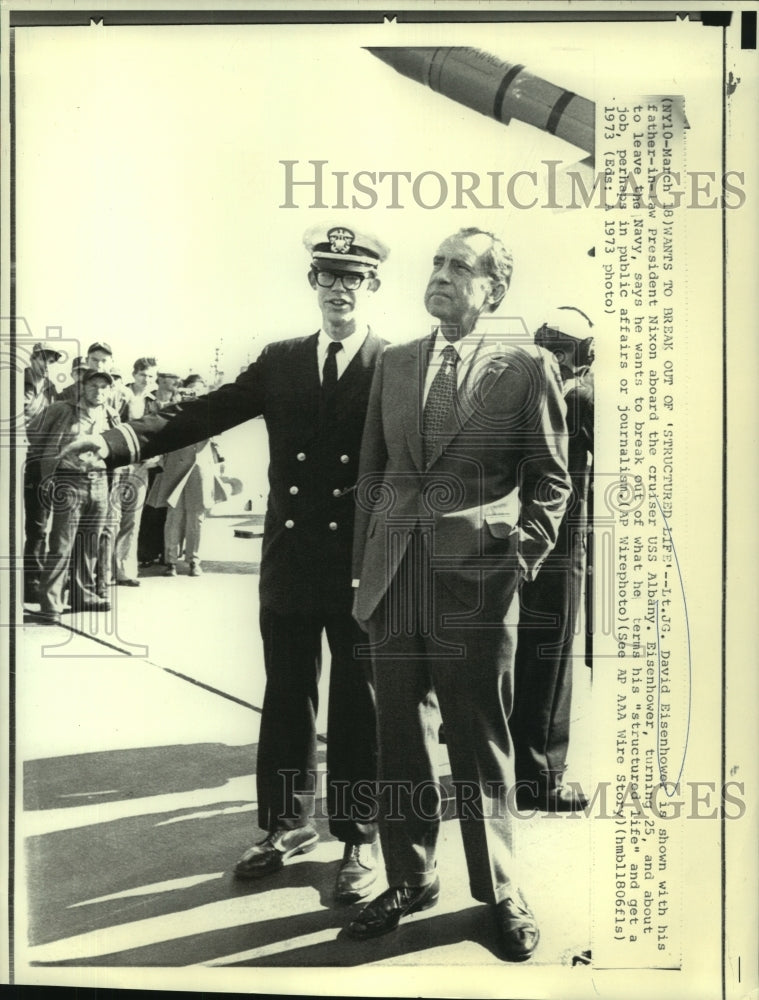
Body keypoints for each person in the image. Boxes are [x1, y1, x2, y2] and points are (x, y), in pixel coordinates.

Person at [60, 222, 389, 905]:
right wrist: (119, 441)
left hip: (363, 564)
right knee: (287, 696)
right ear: (312, 283)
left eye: (352, 277)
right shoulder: (281, 359)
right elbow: (205, 412)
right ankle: (283, 826)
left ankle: (358, 836)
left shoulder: (395, 363)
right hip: (293, 561)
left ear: (372, 285)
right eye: (327, 276)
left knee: (358, 703)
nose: (339, 290)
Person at [348, 227, 571, 960]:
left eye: (459, 267)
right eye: (436, 263)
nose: (441, 275)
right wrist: (364, 571)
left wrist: (521, 555)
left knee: (478, 740)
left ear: (493, 289)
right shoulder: (397, 362)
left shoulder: (527, 365)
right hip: (394, 576)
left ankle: (499, 889)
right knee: (399, 737)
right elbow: (375, 475)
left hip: (477, 580)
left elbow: (551, 478)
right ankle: (409, 878)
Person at [510, 307, 595, 812]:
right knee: (551, 653)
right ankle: (540, 778)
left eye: (558, 350)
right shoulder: (583, 397)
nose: (554, 360)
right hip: (558, 542)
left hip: (514, 534)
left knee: (510, 649)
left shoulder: (515, 391)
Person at [31, 369, 121, 624]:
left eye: (104, 387)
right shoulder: (62, 409)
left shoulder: (111, 415)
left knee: (89, 545)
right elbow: (34, 433)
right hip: (69, 483)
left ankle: (82, 596)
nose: (99, 391)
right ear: (82, 387)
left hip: (100, 483)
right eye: (94, 385)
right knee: (61, 545)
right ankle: (51, 605)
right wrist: (52, 460)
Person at [146, 374, 224, 578]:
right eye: (189, 391)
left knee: (196, 518)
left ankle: (194, 561)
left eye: (198, 391)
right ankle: (170, 561)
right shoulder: (172, 410)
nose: (193, 395)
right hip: (175, 468)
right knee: (174, 516)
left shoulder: (211, 412)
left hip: (199, 469)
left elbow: (217, 434)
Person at [112, 357, 160, 587]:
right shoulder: (121, 396)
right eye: (143, 375)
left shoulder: (153, 402)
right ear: (134, 375)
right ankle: (104, 570)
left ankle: (126, 570)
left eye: (151, 376)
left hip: (141, 466)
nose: (147, 380)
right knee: (112, 518)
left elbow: (159, 435)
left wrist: (155, 457)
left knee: (133, 519)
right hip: (119, 465)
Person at [23, 342, 62, 603]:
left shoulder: (51, 389)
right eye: (44, 359)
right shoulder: (15, 381)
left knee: (38, 525)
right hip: (14, 456)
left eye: (52, 360)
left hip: (38, 461)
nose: (47, 365)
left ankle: (33, 582)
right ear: (33, 358)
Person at [137, 369, 183, 566]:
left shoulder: (180, 403)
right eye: (171, 380)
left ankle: (167, 552)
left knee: (168, 509)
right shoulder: (148, 402)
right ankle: (146, 553)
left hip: (172, 462)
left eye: (176, 380)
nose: (175, 383)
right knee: (149, 509)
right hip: (151, 462)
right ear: (161, 382)